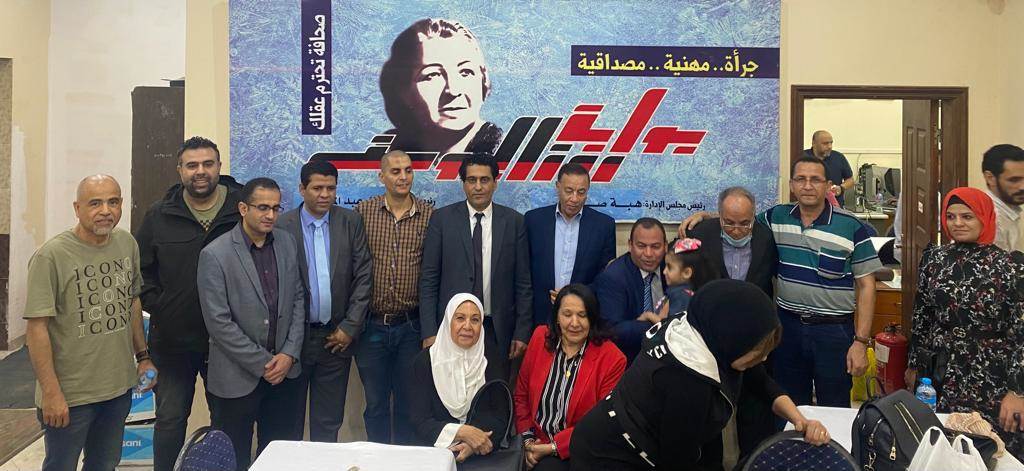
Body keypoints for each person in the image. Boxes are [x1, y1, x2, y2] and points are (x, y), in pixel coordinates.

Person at [679, 157, 881, 407]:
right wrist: (705, 216)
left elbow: (867, 286)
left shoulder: (851, 226)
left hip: (834, 333)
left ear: (828, 185)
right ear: (791, 185)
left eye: (815, 179)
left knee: (834, 405)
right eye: (801, 179)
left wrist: (861, 342)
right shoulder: (777, 217)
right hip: (787, 329)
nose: (808, 186)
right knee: (788, 404)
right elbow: (740, 219)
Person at [568, 280, 831, 471]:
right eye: (756, 352)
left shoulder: (709, 332)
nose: (762, 359)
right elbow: (677, 461)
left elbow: (761, 383)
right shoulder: (687, 381)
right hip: (609, 455)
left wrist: (800, 420)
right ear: (733, 340)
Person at [25, 175, 155, 471]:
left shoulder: (126, 243)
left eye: (113, 202)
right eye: (95, 203)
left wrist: (143, 357)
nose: (105, 211)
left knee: (105, 463)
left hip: (118, 389)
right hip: (70, 395)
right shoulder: (51, 256)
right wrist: (51, 392)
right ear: (77, 208)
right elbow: (37, 328)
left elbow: (132, 301)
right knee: (61, 465)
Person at [135, 136, 243, 471]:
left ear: (219, 167)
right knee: (169, 420)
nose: (200, 171)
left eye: (208, 164)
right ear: (179, 169)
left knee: (227, 422)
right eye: (192, 165)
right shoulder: (159, 215)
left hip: (228, 343)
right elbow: (141, 272)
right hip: (173, 342)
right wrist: (163, 305)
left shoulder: (240, 208)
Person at [906, 187, 1024, 460]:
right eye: (951, 216)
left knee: (993, 450)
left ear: (984, 218)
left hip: (992, 375)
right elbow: (922, 315)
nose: (957, 223)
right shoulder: (934, 260)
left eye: (967, 217)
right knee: (943, 446)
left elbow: (1020, 333)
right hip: (941, 372)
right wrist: (914, 365)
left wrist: (1017, 392)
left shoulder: (1011, 266)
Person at [197, 178, 306, 470]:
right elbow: (219, 323)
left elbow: (298, 299)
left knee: (280, 459)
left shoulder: (286, 242)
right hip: (236, 379)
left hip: (284, 375)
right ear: (243, 208)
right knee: (234, 459)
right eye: (262, 208)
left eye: (275, 208)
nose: (270, 215)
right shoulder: (215, 254)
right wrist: (264, 363)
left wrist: (289, 354)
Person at [680, 186, 780, 460]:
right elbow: (675, 269)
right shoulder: (701, 233)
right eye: (729, 223)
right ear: (719, 216)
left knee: (755, 412)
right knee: (708, 413)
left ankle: (753, 463)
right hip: (710, 343)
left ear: (754, 216)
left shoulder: (767, 237)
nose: (737, 230)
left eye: (744, 223)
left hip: (753, 341)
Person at [278, 160, 372, 442]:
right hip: (294, 341)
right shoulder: (283, 226)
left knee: (328, 423)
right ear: (302, 189)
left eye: (331, 188)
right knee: (288, 422)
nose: (325, 194)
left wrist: (350, 327)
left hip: (336, 339)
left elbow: (363, 275)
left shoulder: (350, 221)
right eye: (317, 188)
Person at [419, 153, 532, 381]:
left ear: (495, 182)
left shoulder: (514, 222)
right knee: (452, 390)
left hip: (496, 330)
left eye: (484, 180)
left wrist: (521, 332)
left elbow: (523, 283)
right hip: (452, 329)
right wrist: (429, 331)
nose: (478, 187)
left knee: (494, 392)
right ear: (463, 184)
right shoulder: (442, 220)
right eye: (472, 180)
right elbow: (429, 279)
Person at [354, 150, 434, 444]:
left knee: (407, 404)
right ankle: (376, 458)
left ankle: (403, 460)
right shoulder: (363, 212)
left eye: (408, 171)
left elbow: (432, 273)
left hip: (411, 328)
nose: (403, 177)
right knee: (375, 404)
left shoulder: (429, 215)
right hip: (371, 326)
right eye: (396, 171)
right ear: (382, 176)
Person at [514, 284, 626, 471]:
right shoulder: (540, 337)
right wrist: (528, 441)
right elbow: (521, 395)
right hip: (534, 441)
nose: (574, 323)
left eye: (582, 315)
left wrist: (553, 447)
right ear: (557, 317)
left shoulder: (612, 359)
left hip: (579, 448)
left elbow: (602, 422)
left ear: (592, 318)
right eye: (567, 314)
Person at [380, 18, 502, 156]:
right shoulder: (388, 152)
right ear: (403, 90)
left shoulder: (504, 150)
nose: (454, 90)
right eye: (432, 75)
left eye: (465, 72)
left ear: (484, 80)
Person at [409, 293, 501, 463]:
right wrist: (463, 432)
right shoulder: (425, 362)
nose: (467, 326)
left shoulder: (490, 357)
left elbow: (500, 415)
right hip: (435, 453)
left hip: (482, 453)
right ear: (448, 322)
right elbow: (420, 422)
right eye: (460, 318)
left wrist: (473, 445)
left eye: (475, 320)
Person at [525, 163, 616, 326]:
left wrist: (575, 295)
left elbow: (605, 277)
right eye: (569, 191)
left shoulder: (603, 226)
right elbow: (523, 272)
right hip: (539, 316)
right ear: (558, 187)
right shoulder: (534, 220)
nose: (574, 199)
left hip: (581, 317)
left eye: (581, 192)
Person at [590, 218, 667, 361]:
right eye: (641, 246)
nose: (648, 253)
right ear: (630, 245)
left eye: (655, 246)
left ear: (665, 246)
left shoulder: (672, 266)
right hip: (631, 359)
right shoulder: (614, 277)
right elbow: (611, 330)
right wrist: (657, 325)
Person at [655, 238, 718, 318]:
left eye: (669, 267)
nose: (664, 271)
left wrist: (649, 316)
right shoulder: (678, 292)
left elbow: (673, 324)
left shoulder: (682, 297)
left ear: (686, 273)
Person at [981, 144, 1024, 252]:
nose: (1022, 187)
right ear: (990, 178)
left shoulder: (1007, 211)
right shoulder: (992, 218)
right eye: (1014, 180)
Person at [803, 130, 854, 207]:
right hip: (808, 206)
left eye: (831, 143)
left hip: (834, 207)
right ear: (814, 143)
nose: (829, 146)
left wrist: (841, 188)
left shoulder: (839, 157)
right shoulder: (803, 157)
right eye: (825, 143)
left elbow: (850, 180)